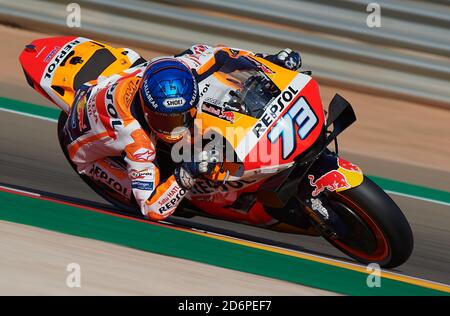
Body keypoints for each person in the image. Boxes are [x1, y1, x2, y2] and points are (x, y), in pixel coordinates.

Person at [61, 44, 301, 221]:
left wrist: (269, 62)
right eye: (166, 119)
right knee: (157, 192)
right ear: (147, 110)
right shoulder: (137, 141)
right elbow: (152, 209)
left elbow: (224, 54)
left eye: (181, 116)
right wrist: (187, 171)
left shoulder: (188, 66)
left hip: (113, 82)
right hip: (88, 154)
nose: (176, 127)